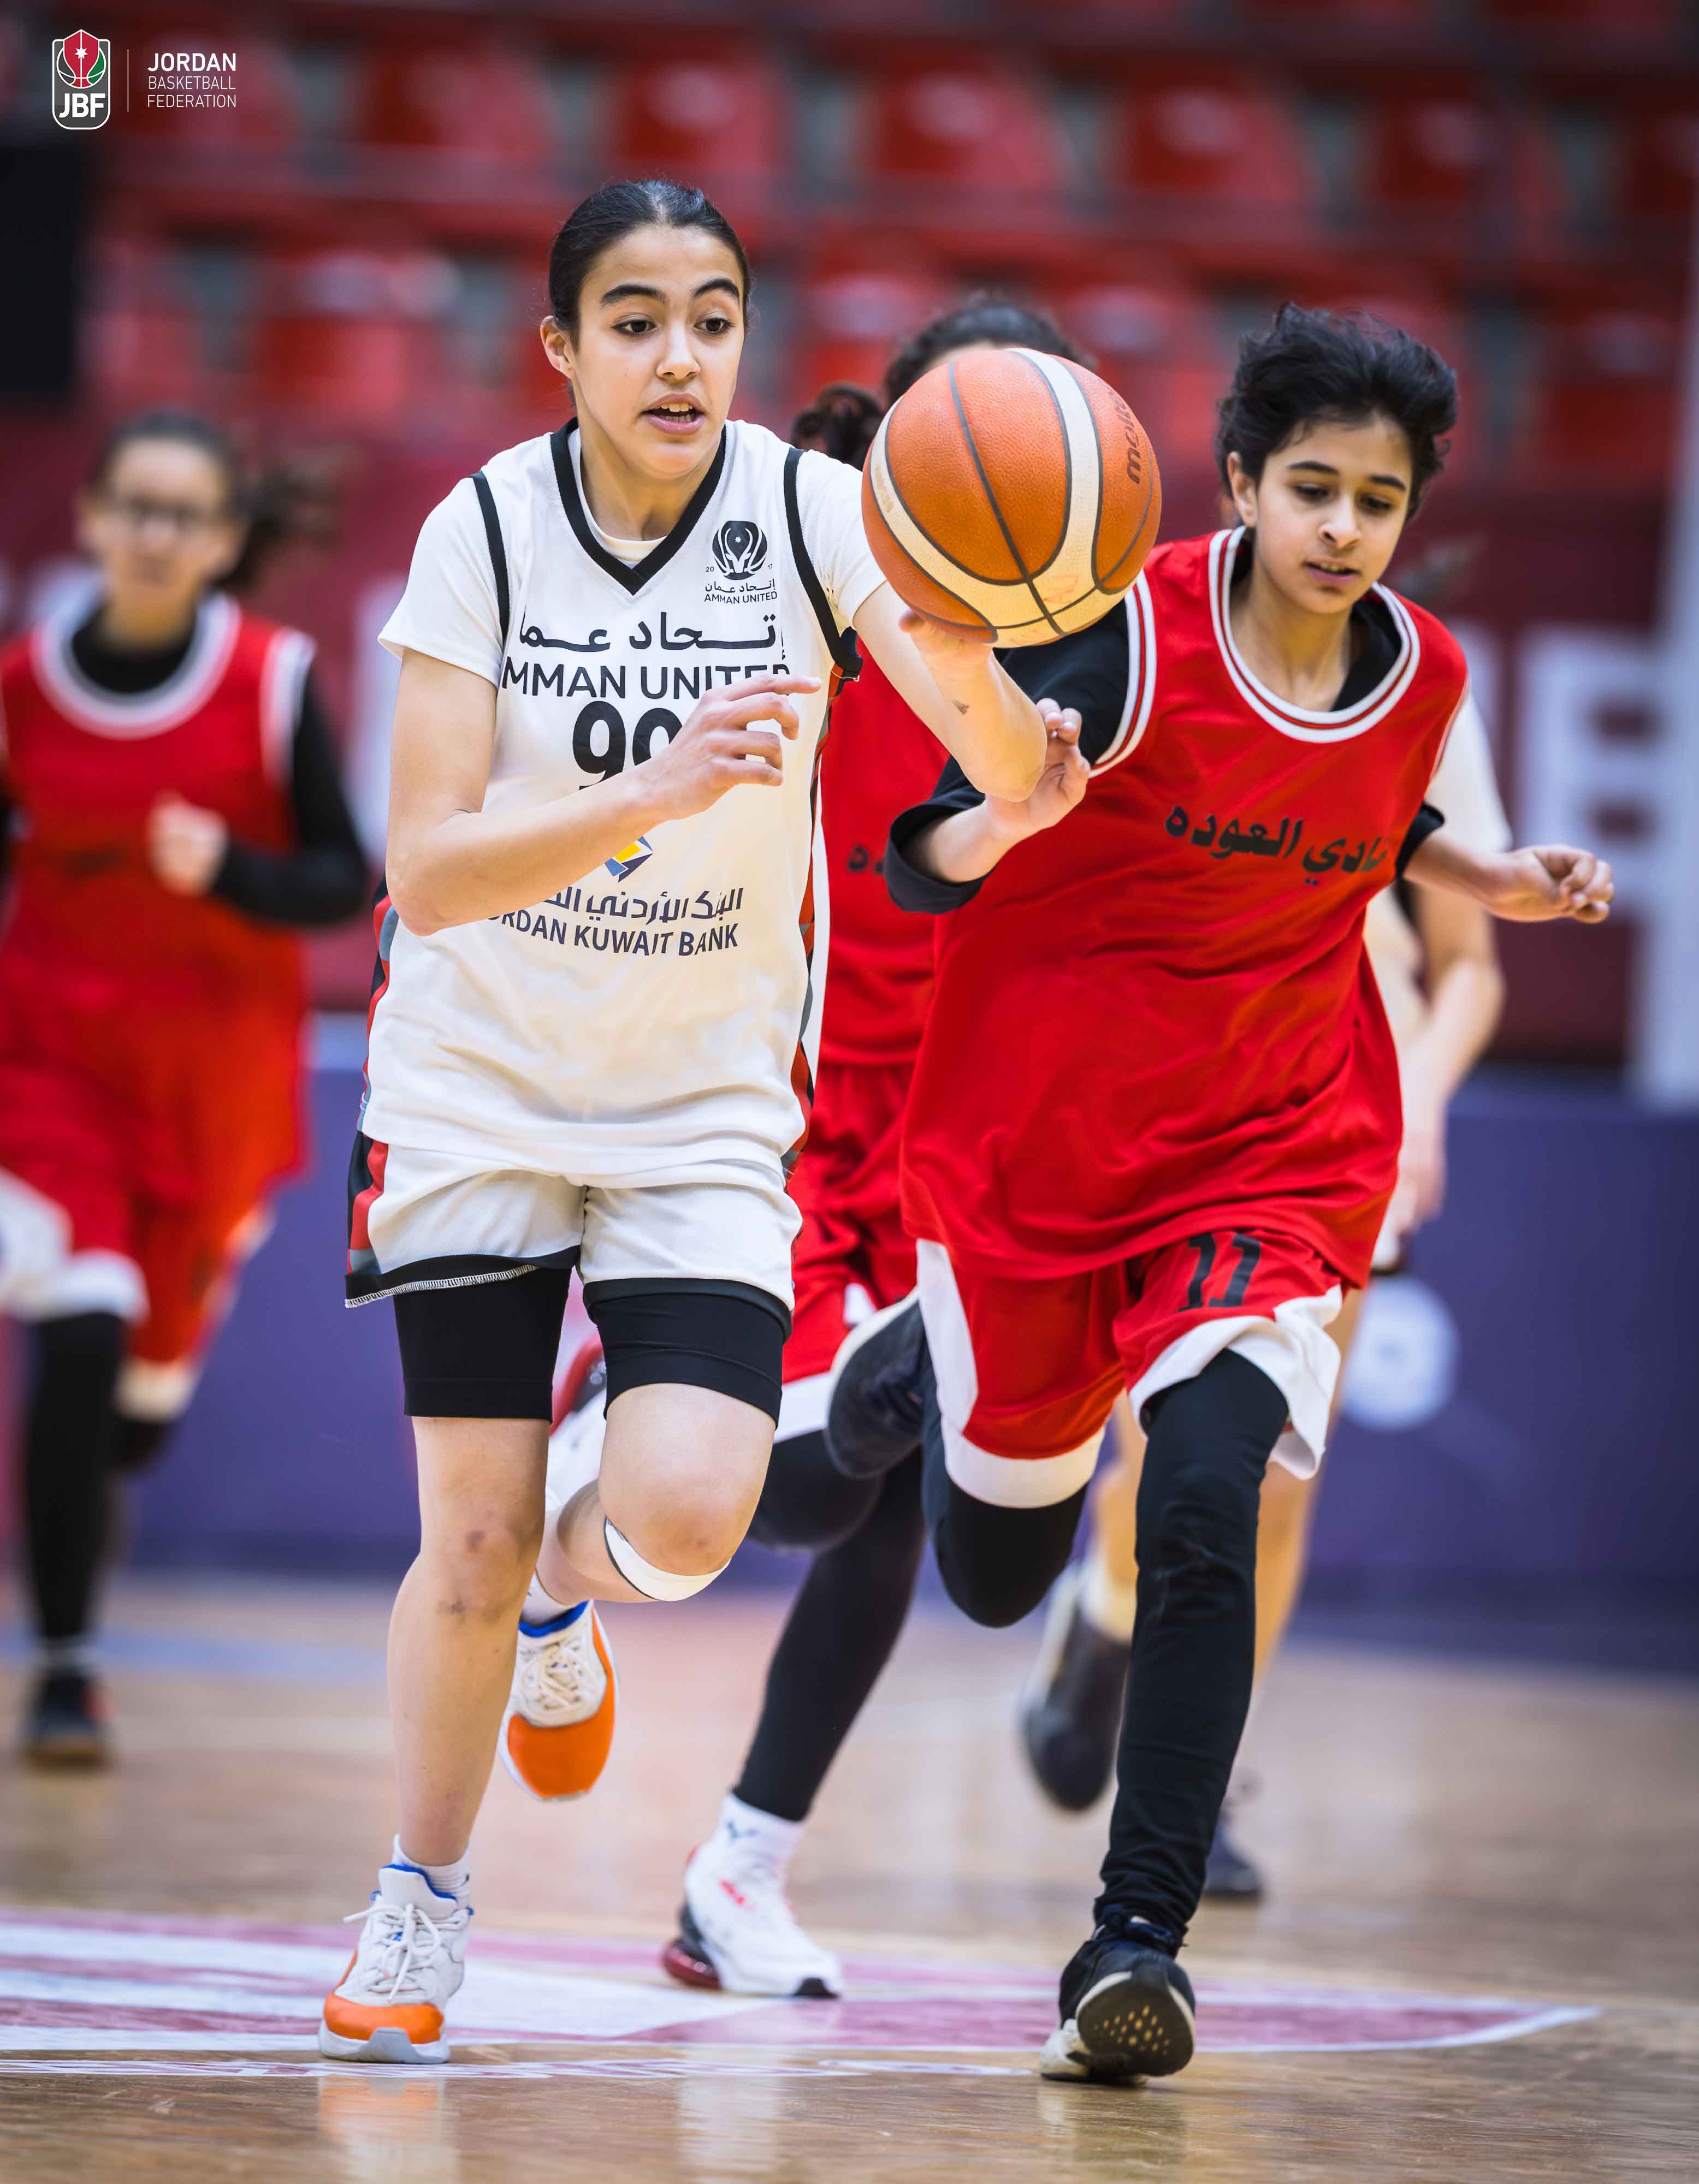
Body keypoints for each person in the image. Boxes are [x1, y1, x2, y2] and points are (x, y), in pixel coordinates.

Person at [823, 303, 1612, 2084]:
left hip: (1275, 1145)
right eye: (1313, 488)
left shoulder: (1425, 677)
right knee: (1001, 1573)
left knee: (1205, 1501)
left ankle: (1136, 1946)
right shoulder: (1121, 631)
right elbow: (918, 856)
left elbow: (1383, 822)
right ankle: (928, 1363)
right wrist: (1010, 811)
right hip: (1043, 1153)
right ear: (1242, 484)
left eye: (1379, 501)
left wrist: (1496, 877)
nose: (1344, 527)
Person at [319, 181, 1050, 2066]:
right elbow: (428, 867)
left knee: (694, 1513)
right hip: (477, 1083)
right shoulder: (484, 526)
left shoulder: (812, 514)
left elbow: (983, 740)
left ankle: (563, 1605)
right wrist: (650, 788)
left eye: (714, 318)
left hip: (703, 1106)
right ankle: (421, 1895)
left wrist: (1020, 749)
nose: (680, 356)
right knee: (464, 1538)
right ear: (562, 347)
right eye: (635, 320)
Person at [526, 299, 1086, 2003]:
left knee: (887, 1500)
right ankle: (587, 1474)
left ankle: (738, 1874)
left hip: (964, 1138)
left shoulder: (1095, 640)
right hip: (786, 1107)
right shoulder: (804, 586)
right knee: (811, 1487)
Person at [1020, 670, 1510, 1895]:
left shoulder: (1428, 700)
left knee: (1274, 1488)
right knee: (1161, 1461)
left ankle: (1203, 1778)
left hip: (1349, 1112)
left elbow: (1472, 964)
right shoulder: (1175, 655)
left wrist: (1423, 1100)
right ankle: (1108, 1607)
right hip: (1189, 1090)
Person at [0, 410, 369, 1765]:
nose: (155, 533)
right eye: (135, 506)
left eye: (185, 513)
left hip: (213, 1089)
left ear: (222, 540)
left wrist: (229, 868)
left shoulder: (270, 681)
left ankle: (84, 1521)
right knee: (80, 1324)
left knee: (132, 1419)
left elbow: (344, 877)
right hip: (48, 1072)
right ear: (92, 519)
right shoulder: (22, 687)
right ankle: (66, 1668)